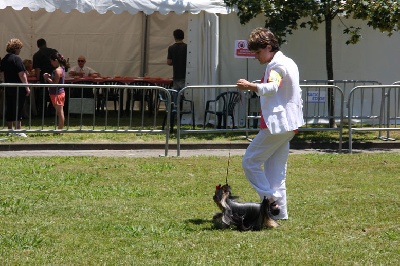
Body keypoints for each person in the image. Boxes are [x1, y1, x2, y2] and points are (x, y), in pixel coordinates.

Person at [236, 27, 305, 220]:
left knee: (250, 162)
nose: (256, 57)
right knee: (276, 172)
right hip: (289, 125)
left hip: (277, 125)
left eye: (258, 52)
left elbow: (273, 86)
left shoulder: (277, 66)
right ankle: (279, 214)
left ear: (268, 47)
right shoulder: (287, 62)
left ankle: (270, 200)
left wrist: (251, 86)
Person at [0, 38, 31, 137]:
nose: (20, 50)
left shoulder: (4, 59)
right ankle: (18, 130)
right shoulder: (17, 59)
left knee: (10, 108)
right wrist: (27, 87)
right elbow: (22, 74)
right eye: (19, 48)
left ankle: (10, 130)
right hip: (18, 88)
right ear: (16, 48)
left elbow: (2, 74)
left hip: (8, 87)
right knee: (19, 107)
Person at [32, 38, 58, 117]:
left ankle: (43, 112)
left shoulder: (37, 55)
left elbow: (37, 69)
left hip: (44, 77)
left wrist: (37, 78)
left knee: (43, 96)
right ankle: (53, 111)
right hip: (54, 75)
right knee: (55, 94)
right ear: (45, 43)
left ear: (38, 45)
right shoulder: (54, 51)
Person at [43, 52, 67, 131]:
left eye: (51, 61)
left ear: (56, 60)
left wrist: (47, 78)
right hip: (59, 92)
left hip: (57, 93)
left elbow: (54, 83)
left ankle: (60, 130)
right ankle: (60, 129)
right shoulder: (62, 68)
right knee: (59, 112)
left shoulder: (57, 70)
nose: (51, 63)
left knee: (60, 113)